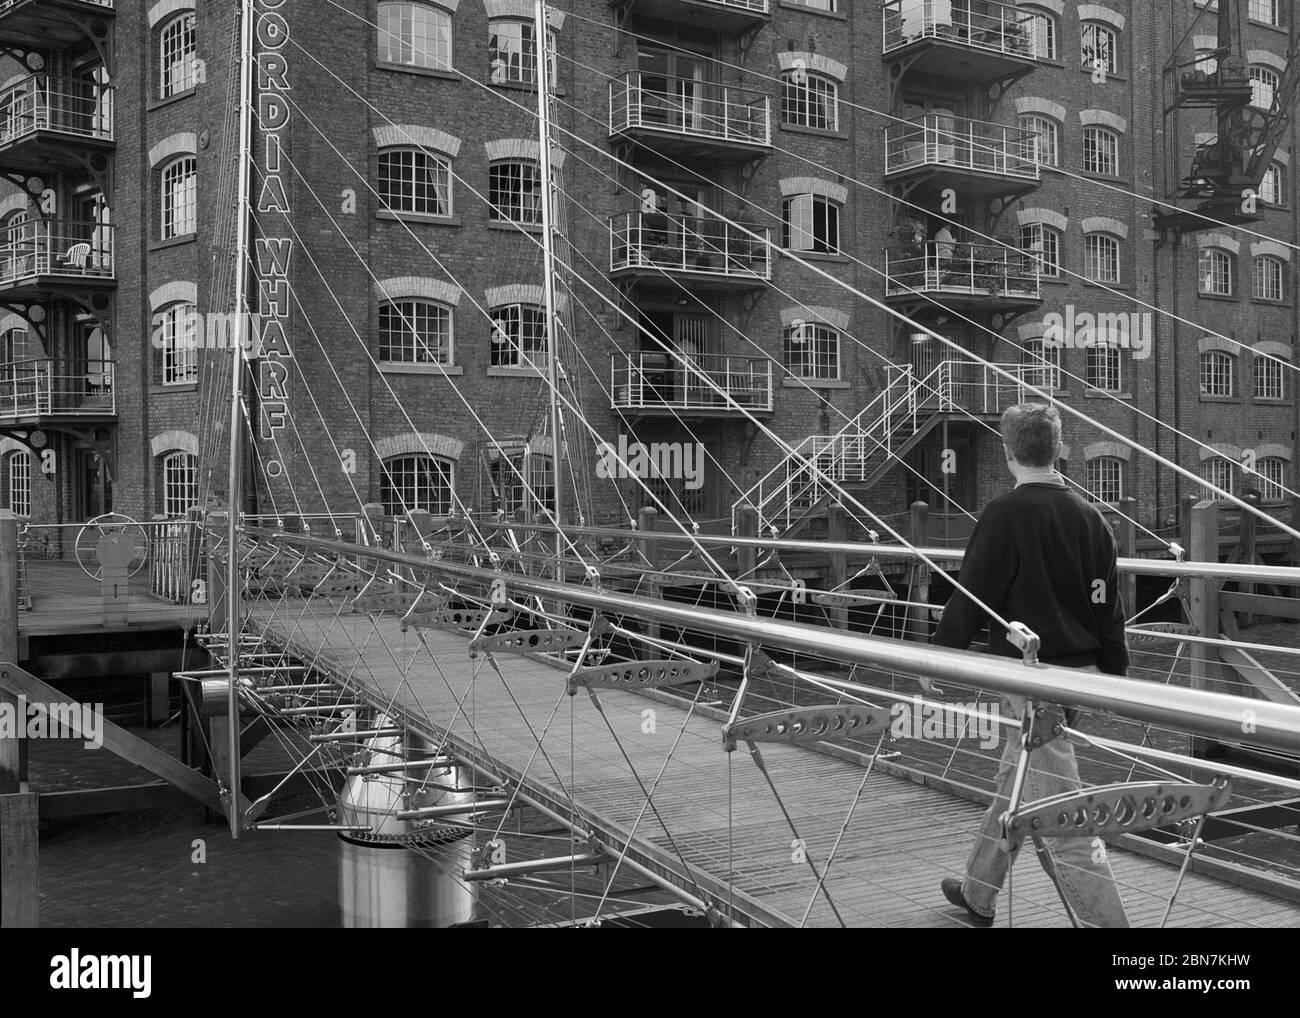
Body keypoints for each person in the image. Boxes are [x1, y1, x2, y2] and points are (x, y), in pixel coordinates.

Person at [931, 402, 1130, 928]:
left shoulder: (1004, 514)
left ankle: (1110, 930)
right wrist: (1116, 679)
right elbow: (1110, 610)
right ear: (1057, 448)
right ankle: (978, 892)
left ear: (1007, 451)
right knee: (1015, 784)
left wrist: (939, 656)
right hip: (1082, 678)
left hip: (1032, 679)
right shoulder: (1093, 518)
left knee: (1061, 815)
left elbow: (971, 596)